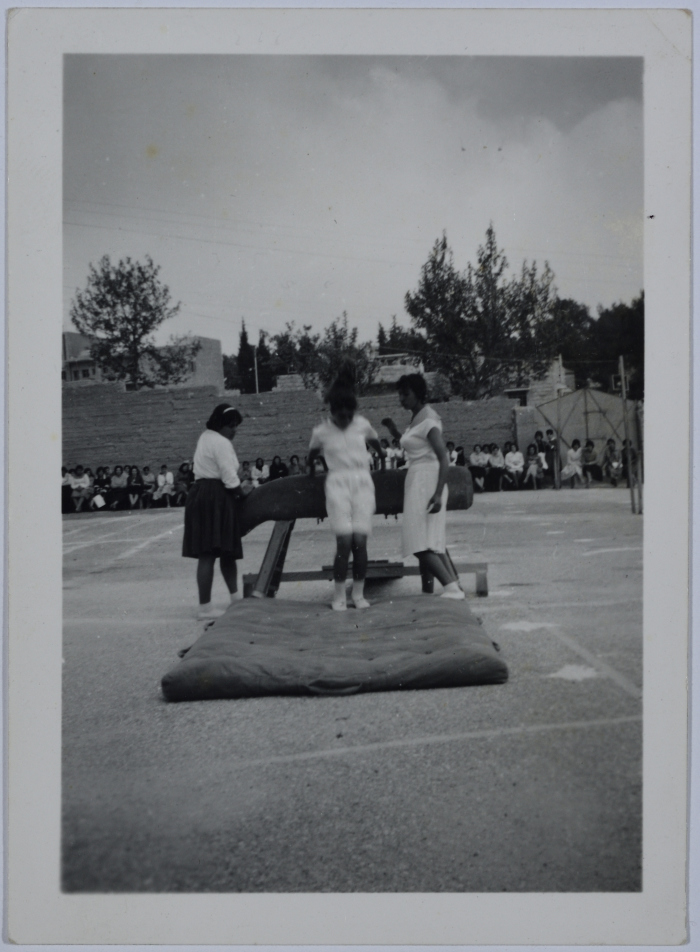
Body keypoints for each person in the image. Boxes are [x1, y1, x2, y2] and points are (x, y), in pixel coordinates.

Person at [308, 362, 385, 611]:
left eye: (350, 414)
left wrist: (383, 462)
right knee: (344, 542)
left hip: (362, 483)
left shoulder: (362, 424)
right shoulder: (321, 431)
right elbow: (311, 454)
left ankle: (359, 594)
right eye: (341, 415)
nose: (346, 419)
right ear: (332, 409)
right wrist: (311, 471)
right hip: (337, 485)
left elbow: (377, 445)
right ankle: (339, 595)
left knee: (360, 542)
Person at [382, 373, 464, 599]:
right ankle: (440, 589)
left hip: (427, 480)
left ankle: (451, 588)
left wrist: (438, 494)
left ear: (418, 393)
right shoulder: (417, 417)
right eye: (399, 394)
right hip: (419, 478)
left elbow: (443, 457)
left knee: (418, 543)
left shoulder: (428, 418)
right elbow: (415, 446)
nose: (401, 398)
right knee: (430, 541)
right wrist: (395, 432)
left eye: (405, 394)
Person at [182, 404, 249, 620]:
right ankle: (205, 608)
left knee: (223, 551)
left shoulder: (206, 437)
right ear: (220, 424)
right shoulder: (220, 442)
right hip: (214, 496)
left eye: (236, 426)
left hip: (203, 493)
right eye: (231, 425)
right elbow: (229, 476)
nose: (234, 430)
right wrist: (243, 493)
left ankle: (235, 599)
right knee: (210, 553)